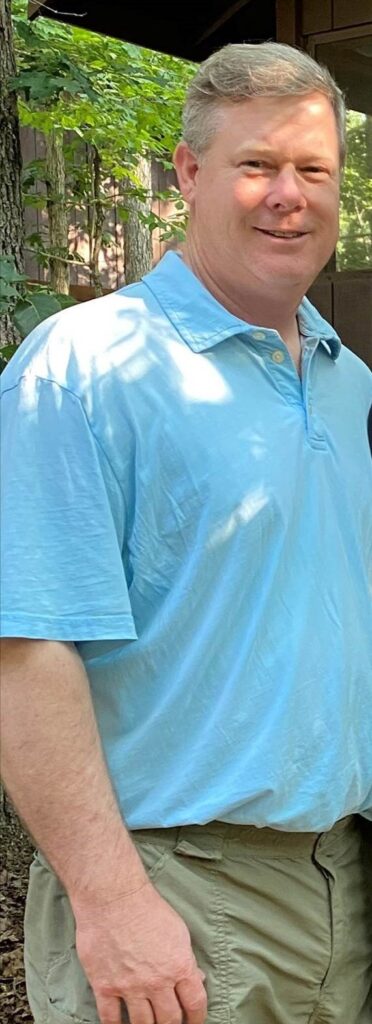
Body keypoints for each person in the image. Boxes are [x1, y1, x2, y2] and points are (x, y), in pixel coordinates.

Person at [1, 41, 372, 1024]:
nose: (288, 195)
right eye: (256, 166)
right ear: (190, 173)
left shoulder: (349, 384)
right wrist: (113, 899)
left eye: (313, 169)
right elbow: (25, 648)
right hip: (177, 890)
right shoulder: (86, 366)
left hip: (343, 879)